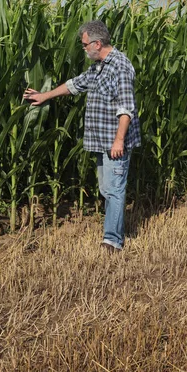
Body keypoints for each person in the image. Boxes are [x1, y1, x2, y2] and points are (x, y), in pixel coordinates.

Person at [23, 20, 141, 252]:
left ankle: (112, 241)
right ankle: (112, 235)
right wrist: (45, 96)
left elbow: (127, 108)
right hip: (101, 140)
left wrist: (119, 140)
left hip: (115, 142)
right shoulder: (99, 66)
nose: (83, 48)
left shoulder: (120, 66)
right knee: (107, 188)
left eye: (85, 44)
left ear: (97, 43)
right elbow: (75, 84)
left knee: (115, 189)